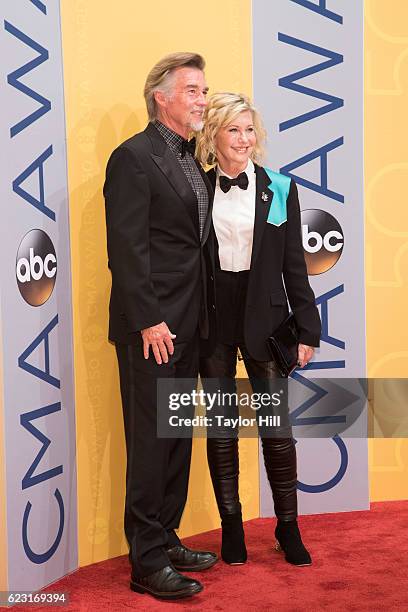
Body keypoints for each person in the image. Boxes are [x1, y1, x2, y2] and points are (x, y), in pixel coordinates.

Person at [103, 52, 217, 601]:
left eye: (203, 90)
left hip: (189, 323)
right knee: (150, 442)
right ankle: (146, 560)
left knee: (175, 437)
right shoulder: (132, 158)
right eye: (192, 90)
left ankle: (166, 536)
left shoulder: (193, 159)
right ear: (161, 97)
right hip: (152, 326)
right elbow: (126, 250)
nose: (201, 99)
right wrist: (149, 318)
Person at [196, 93, 321, 567]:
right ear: (214, 135)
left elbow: (295, 264)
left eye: (250, 130)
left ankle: (287, 527)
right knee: (222, 426)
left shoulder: (282, 188)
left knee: (276, 428)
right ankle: (231, 525)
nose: (244, 140)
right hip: (212, 317)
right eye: (234, 130)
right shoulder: (198, 188)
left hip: (265, 316)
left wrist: (307, 329)